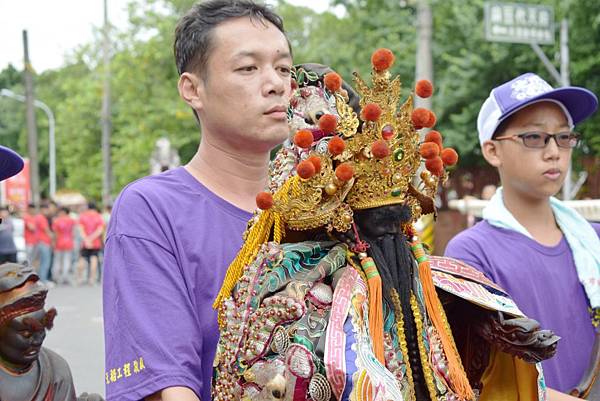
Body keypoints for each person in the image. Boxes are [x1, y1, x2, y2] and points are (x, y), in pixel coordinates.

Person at [102, 1, 293, 400]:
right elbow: (166, 387)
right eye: (248, 68)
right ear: (193, 89)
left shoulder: (321, 208)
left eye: (284, 68)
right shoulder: (152, 209)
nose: (276, 83)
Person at [445, 72, 599, 398]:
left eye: (564, 137)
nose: (554, 151)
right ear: (492, 151)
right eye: (534, 137)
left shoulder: (592, 240)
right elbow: (479, 381)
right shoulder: (471, 255)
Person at [78, 202, 104, 285]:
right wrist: (92, 239)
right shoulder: (99, 216)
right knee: (94, 259)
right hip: (95, 242)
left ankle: (80, 278)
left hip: (85, 242)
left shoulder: (83, 216)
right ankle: (91, 279)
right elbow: (100, 230)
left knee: (82, 258)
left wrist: (86, 239)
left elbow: (80, 230)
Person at [52, 207, 76, 285]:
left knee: (57, 260)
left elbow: (55, 233)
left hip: (59, 242)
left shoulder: (56, 220)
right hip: (69, 241)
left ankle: (56, 277)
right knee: (66, 260)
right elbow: (74, 232)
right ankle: (65, 277)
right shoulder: (72, 220)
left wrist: (54, 242)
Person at [35, 203, 53, 285]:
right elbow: (47, 230)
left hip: (40, 242)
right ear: (43, 209)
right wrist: (53, 237)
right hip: (44, 242)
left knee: (41, 261)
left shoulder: (38, 217)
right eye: (47, 209)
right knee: (45, 262)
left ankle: (41, 279)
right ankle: (43, 280)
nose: (48, 211)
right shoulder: (41, 218)